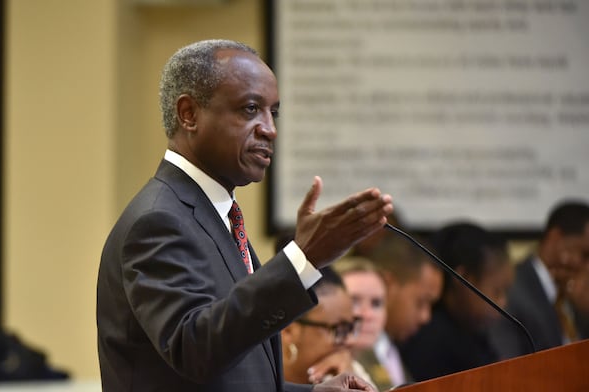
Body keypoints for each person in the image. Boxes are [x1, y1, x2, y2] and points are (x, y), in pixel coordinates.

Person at [96, 39, 393, 391]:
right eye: (250, 109)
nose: (270, 129)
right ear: (189, 113)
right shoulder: (159, 220)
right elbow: (195, 349)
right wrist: (303, 257)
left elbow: (236, 376)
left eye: (274, 112)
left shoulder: (217, 215)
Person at [399, 222, 513, 381]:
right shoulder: (430, 343)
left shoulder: (474, 333)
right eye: (497, 291)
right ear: (463, 278)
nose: (502, 303)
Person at [490, 199, 589, 359]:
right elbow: (509, 368)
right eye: (584, 254)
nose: (587, 267)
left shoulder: (575, 294)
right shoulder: (511, 290)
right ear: (555, 238)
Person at [365, 233, 444, 388]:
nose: (425, 317)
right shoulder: (352, 350)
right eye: (421, 302)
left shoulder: (392, 349)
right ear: (387, 286)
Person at [281, 267, 373, 387]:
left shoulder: (350, 370)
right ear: (289, 331)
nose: (351, 340)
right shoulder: (255, 379)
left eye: (351, 327)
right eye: (339, 330)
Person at [334, 256, 392, 391]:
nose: (367, 315)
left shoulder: (376, 360)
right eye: (354, 301)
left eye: (376, 303)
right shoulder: (320, 373)